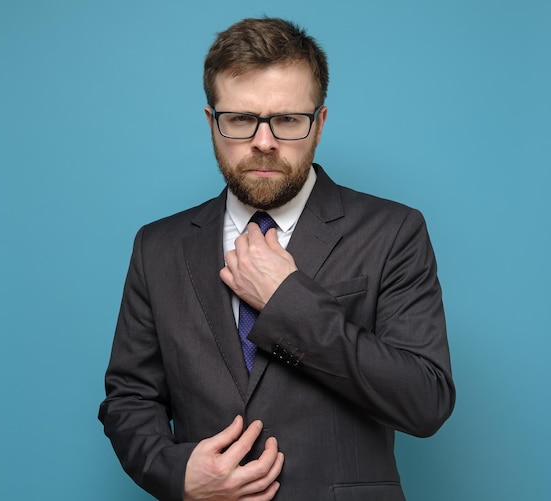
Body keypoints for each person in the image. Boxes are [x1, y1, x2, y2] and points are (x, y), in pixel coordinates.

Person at [99, 17, 455, 501]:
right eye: (242, 119)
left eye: (287, 120)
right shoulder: (157, 246)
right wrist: (178, 474)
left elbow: (425, 400)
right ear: (211, 122)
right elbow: (129, 398)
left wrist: (289, 302)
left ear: (320, 124)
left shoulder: (393, 231)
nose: (263, 141)